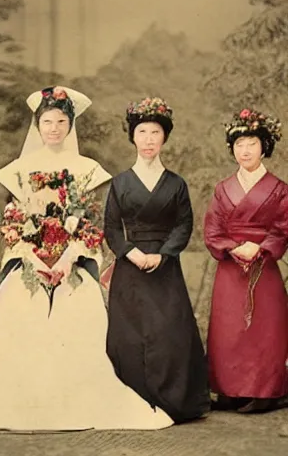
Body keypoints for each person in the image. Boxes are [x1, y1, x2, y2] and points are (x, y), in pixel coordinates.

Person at [0, 86, 174, 431]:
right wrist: (34, 260)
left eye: (61, 121)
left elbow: (91, 223)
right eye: (47, 121)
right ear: (38, 125)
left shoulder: (85, 169)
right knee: (13, 311)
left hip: (71, 264)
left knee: (83, 316)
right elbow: (14, 222)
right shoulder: (20, 169)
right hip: (30, 263)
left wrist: (68, 259)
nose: (53, 128)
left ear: (70, 124)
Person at [104, 97, 209, 423]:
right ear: (133, 137)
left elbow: (184, 225)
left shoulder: (176, 184)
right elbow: (110, 226)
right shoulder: (120, 183)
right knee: (130, 337)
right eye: (142, 132)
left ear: (164, 138)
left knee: (169, 332)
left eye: (155, 133)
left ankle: (173, 400)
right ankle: (132, 400)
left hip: (164, 269)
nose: (149, 139)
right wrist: (131, 252)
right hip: (130, 267)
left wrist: (162, 255)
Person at [204, 108, 288, 413]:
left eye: (252, 143)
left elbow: (282, 230)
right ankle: (229, 389)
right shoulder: (222, 189)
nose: (245, 150)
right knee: (229, 328)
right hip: (230, 265)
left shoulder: (279, 189)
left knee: (264, 328)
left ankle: (266, 391)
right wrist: (230, 247)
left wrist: (261, 247)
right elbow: (212, 230)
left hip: (262, 266)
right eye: (239, 144)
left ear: (264, 146)